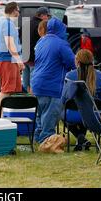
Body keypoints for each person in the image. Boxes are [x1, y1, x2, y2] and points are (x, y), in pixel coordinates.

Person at [31, 17, 76, 145]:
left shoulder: (40, 42)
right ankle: (47, 141)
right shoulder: (61, 44)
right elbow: (73, 63)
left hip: (37, 84)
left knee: (41, 114)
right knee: (50, 116)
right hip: (52, 85)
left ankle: (38, 138)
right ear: (60, 29)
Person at [64, 49, 101, 151]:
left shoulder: (70, 75)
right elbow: (100, 97)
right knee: (85, 110)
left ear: (77, 61)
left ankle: (79, 136)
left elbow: (65, 98)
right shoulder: (99, 75)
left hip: (74, 113)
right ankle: (81, 137)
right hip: (93, 115)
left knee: (62, 112)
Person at [0, 2, 24, 114]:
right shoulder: (7, 23)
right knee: (8, 89)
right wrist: (18, 60)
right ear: (14, 10)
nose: (19, 13)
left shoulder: (4, 22)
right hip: (6, 59)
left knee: (10, 89)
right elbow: (9, 43)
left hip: (6, 59)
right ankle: (2, 116)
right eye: (18, 10)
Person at [23, 7, 51, 92]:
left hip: (24, 55)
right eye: (47, 16)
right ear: (42, 15)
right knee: (33, 77)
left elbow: (21, 39)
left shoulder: (26, 23)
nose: (48, 18)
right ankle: (32, 96)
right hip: (34, 56)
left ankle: (26, 95)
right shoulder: (41, 25)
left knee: (25, 77)